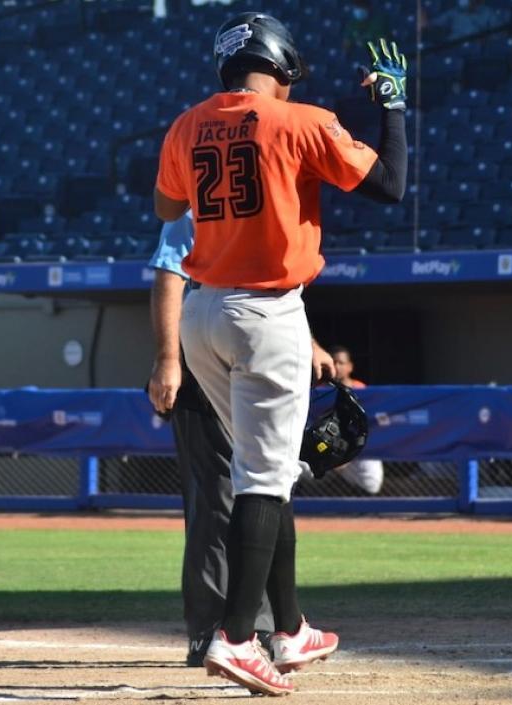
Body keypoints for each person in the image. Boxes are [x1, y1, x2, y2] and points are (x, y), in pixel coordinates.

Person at [153, 12, 407, 695]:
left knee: (267, 470)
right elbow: (389, 185)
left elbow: (167, 204)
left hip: (202, 311)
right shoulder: (301, 120)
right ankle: (238, 637)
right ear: (282, 63)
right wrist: (394, 108)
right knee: (264, 478)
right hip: (267, 310)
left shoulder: (185, 124)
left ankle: (290, 626)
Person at [145, 211, 274, 668]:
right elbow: (169, 272)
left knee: (264, 491)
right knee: (216, 500)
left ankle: (258, 626)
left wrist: (307, 341)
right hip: (200, 359)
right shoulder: (196, 205)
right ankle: (209, 628)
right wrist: (166, 360)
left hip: (256, 351)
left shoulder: (266, 200)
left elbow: (277, 287)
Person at [328, 345, 383, 495]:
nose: (337, 366)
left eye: (341, 362)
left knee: (372, 483)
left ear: (350, 366)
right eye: (333, 362)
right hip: (325, 449)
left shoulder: (362, 390)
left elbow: (372, 424)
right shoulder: (319, 391)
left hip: (356, 450)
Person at [424, 0, 506, 42]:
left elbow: (500, 33)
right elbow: (431, 24)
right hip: (452, 46)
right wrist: (422, 13)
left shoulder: (488, 12)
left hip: (475, 47)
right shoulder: (454, 12)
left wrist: (485, 39)